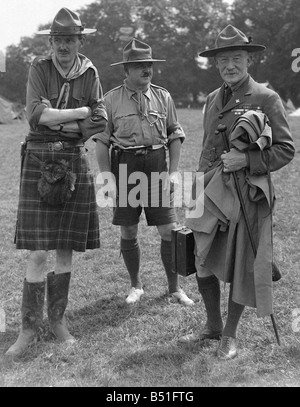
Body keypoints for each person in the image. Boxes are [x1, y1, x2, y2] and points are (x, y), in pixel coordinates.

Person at [181, 25, 295, 359]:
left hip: (248, 195)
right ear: (216, 64)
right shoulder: (213, 99)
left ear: (248, 60)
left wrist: (246, 158)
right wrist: (196, 188)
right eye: (223, 60)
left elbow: (286, 150)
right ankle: (213, 326)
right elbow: (206, 147)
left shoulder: (266, 97)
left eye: (236, 58)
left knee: (239, 264)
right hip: (212, 193)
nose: (230, 65)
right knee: (202, 258)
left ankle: (230, 335)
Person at [5, 8, 107, 358]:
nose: (64, 46)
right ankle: (28, 328)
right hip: (38, 157)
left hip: (74, 159)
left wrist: (65, 122)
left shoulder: (90, 71)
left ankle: (58, 321)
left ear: (80, 41)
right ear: (51, 41)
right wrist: (79, 114)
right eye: (58, 40)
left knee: (65, 247)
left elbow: (100, 120)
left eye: (70, 39)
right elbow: (37, 114)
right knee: (37, 251)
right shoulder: (39, 67)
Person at [93, 38, 194, 306]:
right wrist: (107, 178)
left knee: (168, 230)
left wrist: (173, 173)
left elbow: (175, 135)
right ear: (126, 70)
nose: (146, 69)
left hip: (157, 165)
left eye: (148, 64)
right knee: (128, 230)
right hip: (125, 165)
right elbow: (102, 142)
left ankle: (174, 288)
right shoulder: (111, 100)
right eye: (139, 65)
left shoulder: (164, 96)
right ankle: (136, 286)